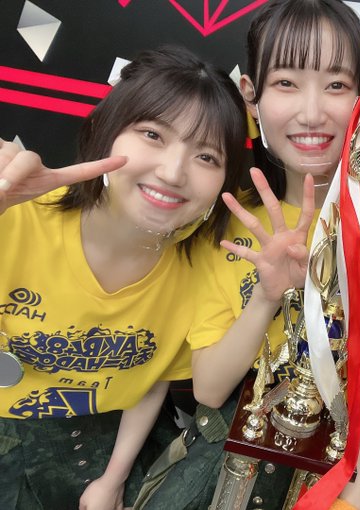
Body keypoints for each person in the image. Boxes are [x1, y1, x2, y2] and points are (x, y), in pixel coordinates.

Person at [140, 1, 360, 509]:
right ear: (251, 95)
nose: (311, 113)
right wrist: (266, 296)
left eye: (336, 85)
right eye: (287, 83)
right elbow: (209, 388)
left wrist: (348, 503)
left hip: (333, 480)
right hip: (221, 470)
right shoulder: (228, 218)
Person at [0, 45, 246, 510]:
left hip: (105, 445)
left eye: (207, 157)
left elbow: (149, 377)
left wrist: (113, 479)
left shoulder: (201, 265)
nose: (172, 172)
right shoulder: (15, 216)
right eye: (153, 134)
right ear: (104, 131)